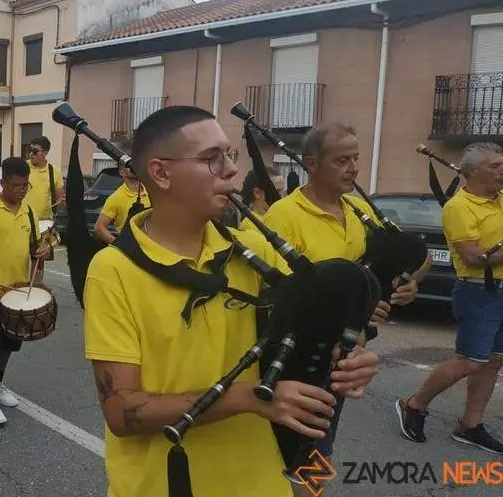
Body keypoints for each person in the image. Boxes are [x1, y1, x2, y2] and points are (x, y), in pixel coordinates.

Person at [83, 105, 381, 496]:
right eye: (211, 158)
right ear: (160, 173)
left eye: (230, 155)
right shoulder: (112, 270)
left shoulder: (255, 249)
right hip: (166, 483)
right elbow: (121, 412)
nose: (229, 170)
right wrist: (247, 398)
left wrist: (350, 353)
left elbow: (312, 326)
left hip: (264, 479)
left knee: (314, 482)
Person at [261, 122, 429, 483]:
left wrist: (407, 284)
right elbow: (284, 299)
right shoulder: (284, 217)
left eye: (355, 158)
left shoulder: (356, 211)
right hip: (305, 355)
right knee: (297, 450)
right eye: (341, 160)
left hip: (346, 356)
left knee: (321, 447)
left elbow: (413, 256)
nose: (353, 168)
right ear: (311, 163)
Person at [397, 142, 503, 453]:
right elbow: (472, 256)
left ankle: (470, 425)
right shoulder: (459, 207)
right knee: (470, 361)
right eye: (494, 166)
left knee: (493, 361)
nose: (502, 170)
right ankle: (414, 405)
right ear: (470, 172)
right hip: (478, 291)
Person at [0, 157, 52, 425]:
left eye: (25, 186)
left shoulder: (28, 210)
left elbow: (34, 247)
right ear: (3, 182)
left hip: (16, 291)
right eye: (16, 185)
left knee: (9, 341)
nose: (21, 190)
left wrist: (42, 253)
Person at [93, 166, 150, 244]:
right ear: (122, 172)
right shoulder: (116, 197)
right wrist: (118, 244)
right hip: (131, 245)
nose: (132, 167)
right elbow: (99, 227)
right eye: (128, 166)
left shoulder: (152, 191)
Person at [26, 136, 64, 221]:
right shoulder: (23, 167)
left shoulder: (54, 171)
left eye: (35, 151)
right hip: (23, 220)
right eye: (30, 150)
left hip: (44, 223)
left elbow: (59, 197)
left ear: (45, 152)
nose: (31, 154)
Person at [238, 166, 284, 232]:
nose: (282, 197)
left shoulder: (268, 221)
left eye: (282, 192)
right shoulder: (252, 228)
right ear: (257, 193)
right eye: (277, 191)